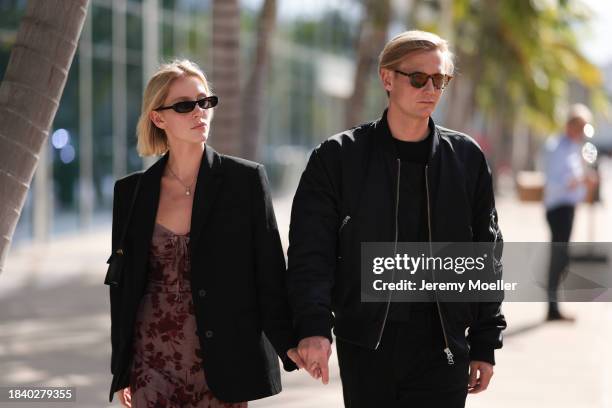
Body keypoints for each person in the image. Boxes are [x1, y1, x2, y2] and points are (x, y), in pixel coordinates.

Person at [286, 30, 507, 407]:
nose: (431, 89)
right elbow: (311, 253)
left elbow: (485, 254)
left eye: (440, 80)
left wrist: (485, 340)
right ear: (387, 78)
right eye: (419, 78)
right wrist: (313, 328)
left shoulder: (466, 159)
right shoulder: (337, 158)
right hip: (367, 346)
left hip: (443, 346)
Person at [106, 59, 300, 407]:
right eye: (184, 106)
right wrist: (122, 369)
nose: (199, 112)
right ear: (158, 117)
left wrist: (292, 343)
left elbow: (269, 273)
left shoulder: (246, 181)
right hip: (152, 363)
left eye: (204, 101)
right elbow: (122, 289)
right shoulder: (131, 193)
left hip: (224, 363)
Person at [542, 103, 596, 322]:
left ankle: (554, 305)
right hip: (558, 209)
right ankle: (552, 307)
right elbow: (556, 182)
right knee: (559, 257)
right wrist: (580, 181)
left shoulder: (574, 147)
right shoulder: (557, 147)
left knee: (562, 258)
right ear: (571, 126)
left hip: (568, 208)